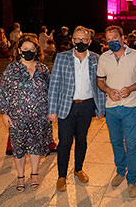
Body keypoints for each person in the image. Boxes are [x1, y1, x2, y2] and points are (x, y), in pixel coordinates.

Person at [48, 26, 105, 192]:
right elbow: (54, 85)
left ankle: (78, 169)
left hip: (87, 106)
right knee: (65, 142)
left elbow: (99, 84)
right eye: (77, 39)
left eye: (84, 39)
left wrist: (100, 107)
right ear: (72, 40)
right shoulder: (62, 57)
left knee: (82, 140)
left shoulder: (96, 58)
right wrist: (52, 110)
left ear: (89, 41)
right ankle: (61, 176)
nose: (80, 42)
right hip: (67, 106)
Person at [0, 35, 53, 192]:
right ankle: (20, 176)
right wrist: (4, 113)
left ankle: (35, 173)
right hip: (17, 117)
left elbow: (50, 91)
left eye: (32, 49)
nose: (29, 52)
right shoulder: (11, 69)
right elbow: (2, 91)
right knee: (19, 147)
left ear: (37, 50)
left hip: (40, 115)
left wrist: (51, 111)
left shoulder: (43, 69)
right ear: (19, 50)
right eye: (25, 49)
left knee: (36, 146)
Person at [97, 25, 136, 198]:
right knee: (116, 142)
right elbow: (100, 81)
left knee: (132, 145)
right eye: (109, 39)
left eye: (115, 38)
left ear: (123, 38)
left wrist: (131, 88)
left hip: (130, 107)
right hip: (112, 108)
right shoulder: (104, 58)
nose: (112, 41)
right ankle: (120, 171)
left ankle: (132, 180)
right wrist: (108, 90)